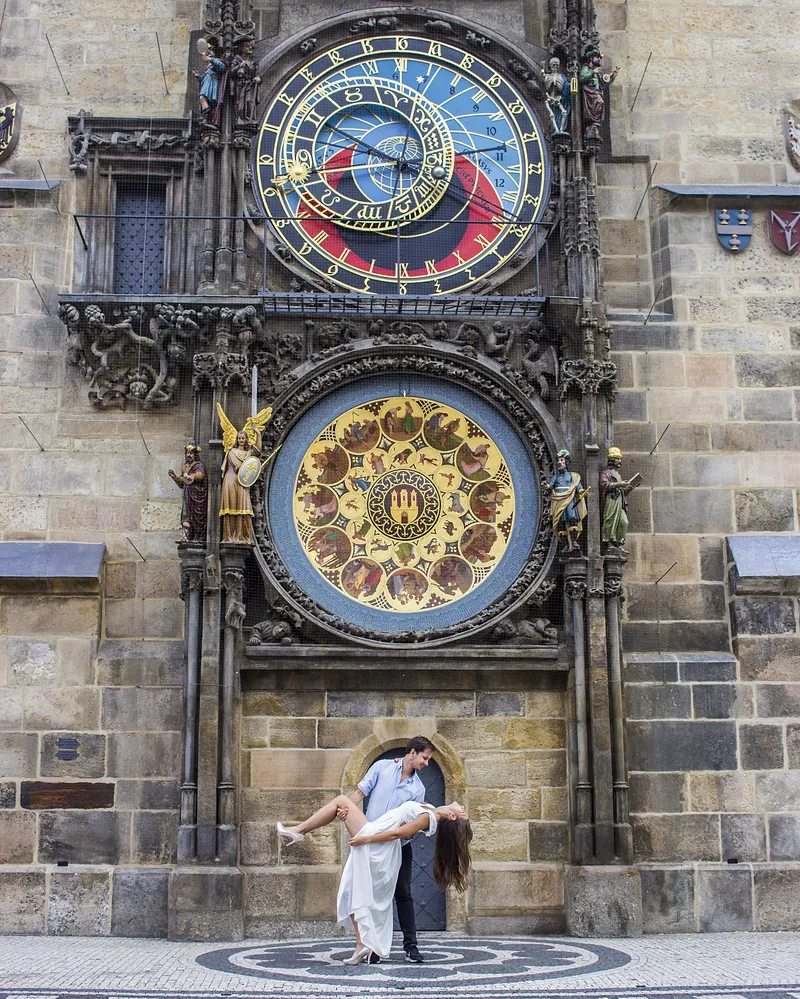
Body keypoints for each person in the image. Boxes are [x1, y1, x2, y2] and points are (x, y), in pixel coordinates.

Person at [277, 792, 471, 966]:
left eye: (462, 812)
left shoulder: (430, 816)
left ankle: (299, 831)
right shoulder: (432, 811)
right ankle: (362, 944)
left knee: (341, 801)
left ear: (453, 816)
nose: (462, 807)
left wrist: (366, 839)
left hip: (377, 839)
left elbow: (399, 833)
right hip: (378, 836)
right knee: (351, 889)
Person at [545, 448, 589, 551]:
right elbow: (550, 486)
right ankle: (565, 544)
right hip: (559, 500)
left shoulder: (572, 476)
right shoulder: (556, 477)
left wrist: (581, 490)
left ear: (567, 462)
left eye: (562, 460)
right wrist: (546, 486)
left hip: (569, 500)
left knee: (572, 518)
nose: (560, 462)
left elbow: (576, 485)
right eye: (559, 460)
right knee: (560, 522)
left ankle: (573, 541)